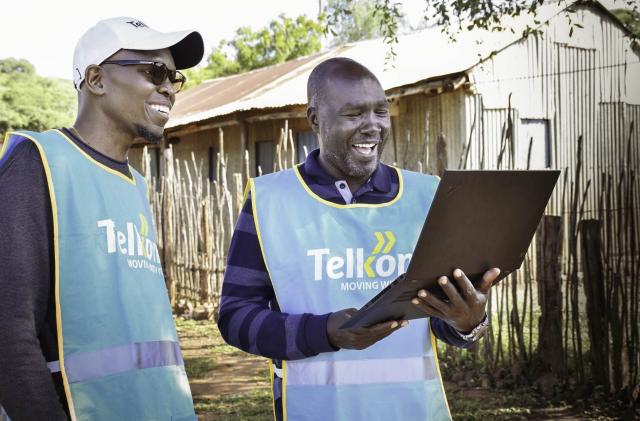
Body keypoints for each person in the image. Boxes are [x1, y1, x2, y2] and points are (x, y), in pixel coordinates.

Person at [217, 57, 500, 420]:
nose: (373, 126)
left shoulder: (426, 197)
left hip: (413, 411)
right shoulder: (270, 200)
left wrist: (468, 321)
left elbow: (443, 318)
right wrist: (324, 333)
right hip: (315, 412)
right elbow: (235, 317)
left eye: (381, 112)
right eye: (353, 114)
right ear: (315, 119)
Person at [0, 17, 204, 420]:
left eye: (173, 76)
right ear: (96, 79)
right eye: (153, 71)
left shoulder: (135, 186)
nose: (168, 86)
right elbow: (8, 332)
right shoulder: (37, 163)